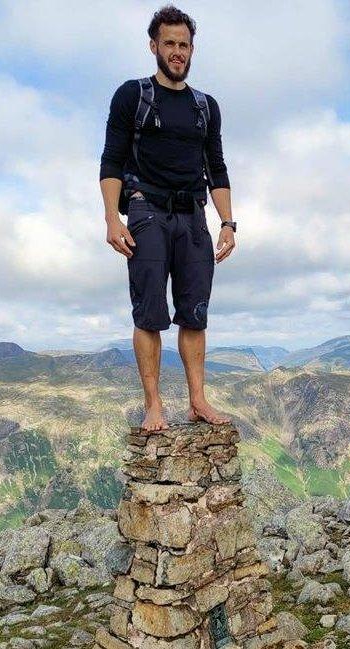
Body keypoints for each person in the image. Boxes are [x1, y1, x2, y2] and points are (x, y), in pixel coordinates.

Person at [99, 4, 236, 431]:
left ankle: (197, 401)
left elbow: (217, 166)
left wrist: (228, 223)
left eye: (184, 45)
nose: (178, 52)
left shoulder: (205, 107)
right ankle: (154, 405)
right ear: (154, 46)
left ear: (192, 50)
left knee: (195, 313)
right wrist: (111, 219)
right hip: (145, 211)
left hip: (193, 216)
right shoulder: (132, 96)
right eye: (170, 43)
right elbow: (111, 160)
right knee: (150, 314)